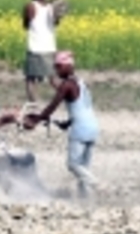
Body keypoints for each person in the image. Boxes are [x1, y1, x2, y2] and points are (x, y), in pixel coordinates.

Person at [24, 50, 101, 199]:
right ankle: (85, 200)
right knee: (83, 169)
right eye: (55, 67)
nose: (57, 70)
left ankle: (96, 184)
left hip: (80, 130)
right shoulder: (80, 82)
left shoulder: (66, 86)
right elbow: (81, 108)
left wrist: (36, 119)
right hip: (93, 128)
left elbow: (51, 107)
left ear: (68, 66)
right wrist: (66, 123)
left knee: (73, 165)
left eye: (59, 66)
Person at [22, 0, 67, 102]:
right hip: (50, 48)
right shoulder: (52, 8)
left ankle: (34, 105)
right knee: (52, 79)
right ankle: (70, 96)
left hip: (35, 48)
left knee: (30, 79)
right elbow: (56, 23)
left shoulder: (30, 6)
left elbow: (25, 25)